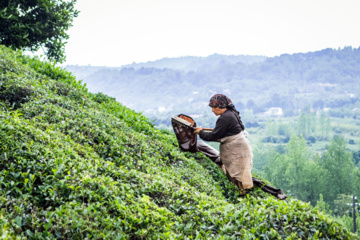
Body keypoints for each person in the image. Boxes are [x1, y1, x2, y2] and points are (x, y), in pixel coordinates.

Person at [194, 94, 253, 196]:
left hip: (237, 151)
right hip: (240, 148)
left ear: (222, 106)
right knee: (235, 175)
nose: (213, 110)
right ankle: (239, 197)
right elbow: (223, 132)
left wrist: (200, 132)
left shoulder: (225, 118)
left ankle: (240, 198)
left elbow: (214, 136)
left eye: (214, 107)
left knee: (237, 175)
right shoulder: (230, 114)